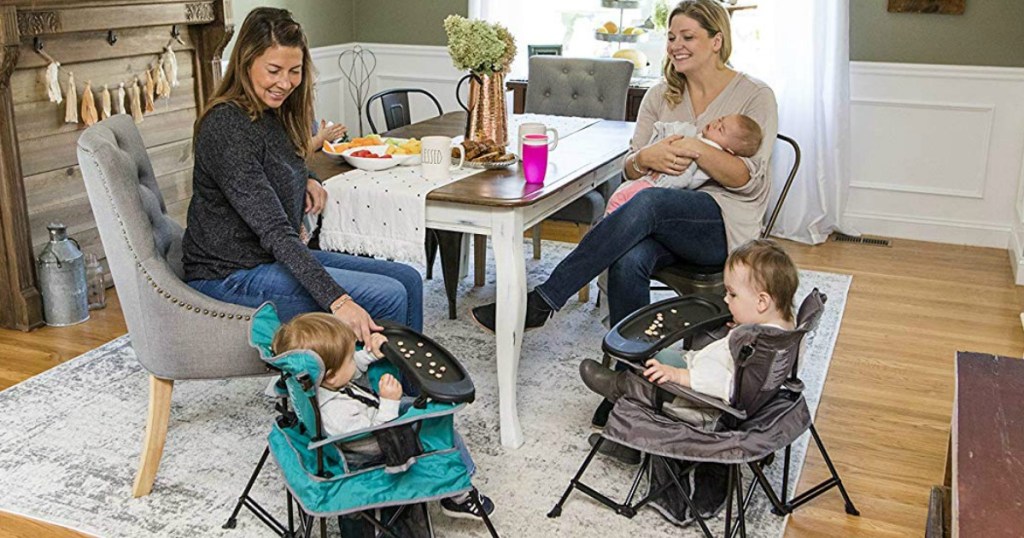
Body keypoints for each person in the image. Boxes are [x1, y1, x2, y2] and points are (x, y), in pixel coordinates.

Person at [471, 0, 779, 429]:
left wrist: (696, 149)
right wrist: (647, 156)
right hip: (661, 218)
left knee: (648, 205)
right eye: (671, 37)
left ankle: (545, 299)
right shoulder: (661, 95)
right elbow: (631, 167)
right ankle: (631, 386)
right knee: (628, 257)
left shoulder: (753, 96)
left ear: (717, 41)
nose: (676, 46)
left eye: (688, 37)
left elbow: (749, 179)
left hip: (722, 224)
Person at [182, 8, 423, 343]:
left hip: (268, 259)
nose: (285, 82)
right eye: (274, 70)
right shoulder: (226, 127)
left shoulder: (273, 112)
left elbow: (280, 160)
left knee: (408, 280)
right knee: (387, 295)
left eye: (294, 71)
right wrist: (339, 301)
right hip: (228, 275)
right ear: (245, 62)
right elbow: (276, 230)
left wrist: (309, 177)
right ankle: (387, 393)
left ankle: (407, 389)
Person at [578, 239, 799, 462]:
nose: (725, 299)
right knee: (657, 358)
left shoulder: (751, 344)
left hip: (707, 405)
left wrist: (678, 376)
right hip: (733, 391)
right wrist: (745, 325)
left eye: (732, 294)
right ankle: (626, 443)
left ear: (762, 302)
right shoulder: (782, 333)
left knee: (643, 383)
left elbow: (726, 385)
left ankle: (618, 389)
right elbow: (752, 374)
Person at [272, 312, 497, 520]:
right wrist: (390, 402)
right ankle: (459, 493)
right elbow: (379, 432)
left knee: (416, 402)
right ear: (329, 375)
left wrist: (368, 354)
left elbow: (345, 373)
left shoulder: (317, 383)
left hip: (370, 417)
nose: (354, 361)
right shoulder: (337, 413)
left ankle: (457, 490)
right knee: (440, 427)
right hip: (377, 442)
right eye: (350, 358)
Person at [604, 114, 763, 215]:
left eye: (720, 129)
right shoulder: (698, 136)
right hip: (651, 183)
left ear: (729, 150)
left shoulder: (712, 152)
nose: (715, 124)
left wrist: (689, 145)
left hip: (660, 188)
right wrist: (644, 157)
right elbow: (628, 167)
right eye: (720, 119)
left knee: (624, 202)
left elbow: (684, 176)